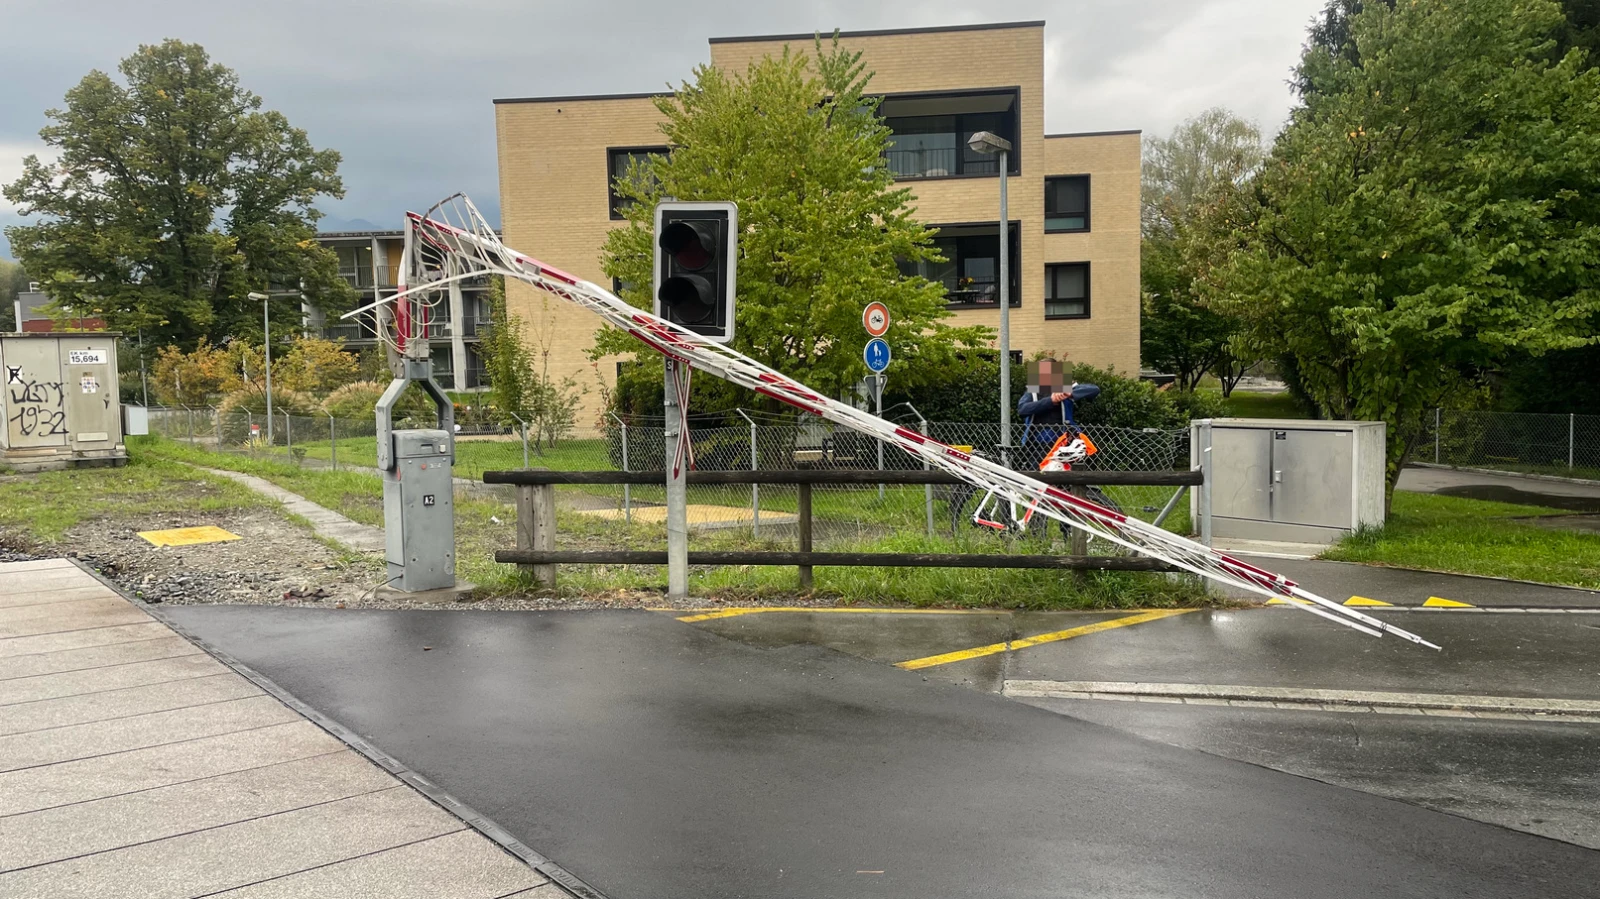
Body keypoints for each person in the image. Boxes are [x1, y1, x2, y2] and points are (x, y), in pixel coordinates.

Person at [1016, 358, 1099, 470]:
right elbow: (1022, 409)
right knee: (1038, 477)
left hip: (1066, 444)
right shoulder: (1032, 392)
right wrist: (1051, 401)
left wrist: (1069, 393)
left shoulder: (1065, 388)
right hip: (1037, 446)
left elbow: (1094, 390)